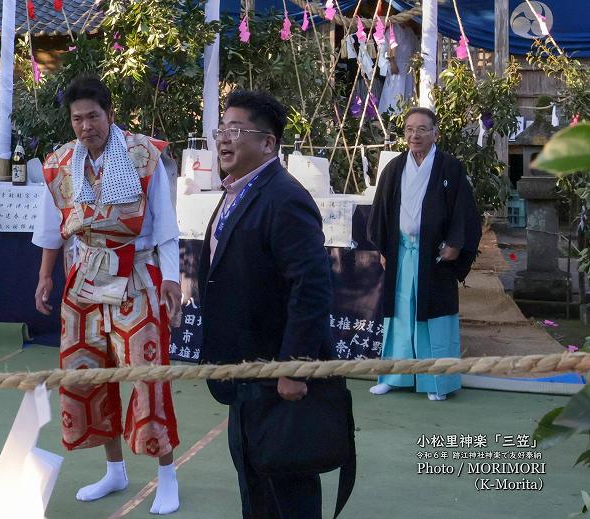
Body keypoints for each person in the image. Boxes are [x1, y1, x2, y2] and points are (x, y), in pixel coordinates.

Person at [31, 76, 181, 514]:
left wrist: (170, 279)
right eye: (77, 118)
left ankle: (167, 475)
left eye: (93, 116)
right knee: (89, 375)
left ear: (110, 115)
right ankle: (114, 470)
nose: (85, 126)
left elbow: (165, 227)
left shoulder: (143, 156)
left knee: (147, 374)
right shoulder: (60, 163)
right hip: (84, 279)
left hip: (136, 273)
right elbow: (50, 228)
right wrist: (44, 276)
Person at [198, 90, 336, 518]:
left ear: (269, 144)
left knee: (286, 492)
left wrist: (293, 368)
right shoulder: (235, 191)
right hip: (243, 374)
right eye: (222, 128)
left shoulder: (285, 197)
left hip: (276, 379)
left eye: (236, 130)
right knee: (255, 488)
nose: (225, 139)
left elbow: (311, 288)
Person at [367, 107, 482, 401]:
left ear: (435, 133)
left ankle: (437, 383)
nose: (414, 135)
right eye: (408, 129)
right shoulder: (394, 168)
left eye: (421, 129)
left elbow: (463, 211)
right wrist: (383, 247)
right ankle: (394, 376)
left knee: (434, 318)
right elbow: (380, 210)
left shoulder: (449, 167)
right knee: (400, 316)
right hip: (402, 252)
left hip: (435, 255)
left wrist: (455, 244)